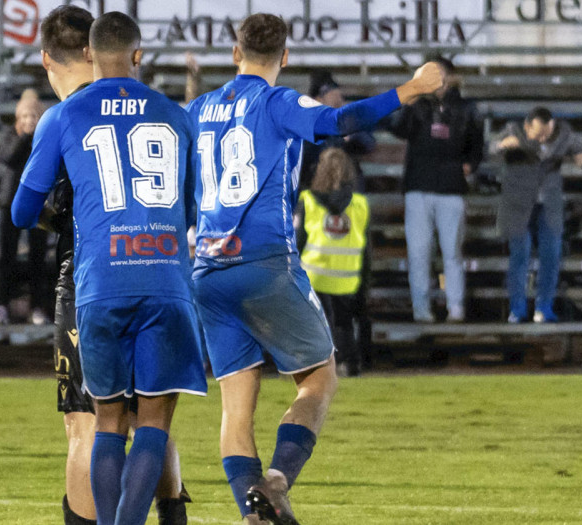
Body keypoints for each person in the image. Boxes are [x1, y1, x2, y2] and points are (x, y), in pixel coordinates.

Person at [187, 13, 442, 525]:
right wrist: (410, 89)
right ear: (285, 57)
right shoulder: (278, 102)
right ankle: (277, 482)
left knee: (236, 407)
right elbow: (338, 122)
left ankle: (256, 517)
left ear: (235, 54)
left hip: (206, 271)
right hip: (262, 262)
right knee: (319, 379)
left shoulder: (199, 108)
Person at [12, 12, 207, 525]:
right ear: (139, 55)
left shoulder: (65, 116)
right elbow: (191, 206)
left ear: (91, 57)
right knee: (155, 422)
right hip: (165, 274)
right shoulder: (176, 114)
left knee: (103, 422)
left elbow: (19, 212)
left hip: (96, 280)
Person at [387, 56, 484, 323]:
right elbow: (395, 126)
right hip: (418, 186)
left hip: (452, 189)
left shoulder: (466, 108)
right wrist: (413, 94)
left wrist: (470, 166)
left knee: (452, 253)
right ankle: (422, 310)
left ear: (450, 76)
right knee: (419, 254)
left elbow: (477, 145)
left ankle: (455, 308)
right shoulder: (418, 106)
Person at [491, 107, 582, 323]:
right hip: (518, 204)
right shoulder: (513, 130)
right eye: (539, 134)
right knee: (520, 256)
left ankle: (543, 308)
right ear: (527, 126)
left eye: (547, 133)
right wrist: (502, 145)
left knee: (551, 256)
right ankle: (517, 310)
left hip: (549, 204)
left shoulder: (563, 133)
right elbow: (490, 148)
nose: (544, 138)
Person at [295, 148, 371, 378]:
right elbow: (367, 247)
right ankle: (349, 363)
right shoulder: (359, 204)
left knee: (315, 324)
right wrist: (365, 280)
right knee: (344, 324)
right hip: (347, 275)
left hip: (314, 273)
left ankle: (314, 368)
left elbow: (298, 241)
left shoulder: (307, 200)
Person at [0, 89, 50, 326]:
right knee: (8, 257)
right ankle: (1, 307)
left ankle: (37, 307)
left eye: (34, 117)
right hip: (11, 203)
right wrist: (25, 137)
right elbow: (7, 158)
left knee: (38, 259)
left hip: (39, 204)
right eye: (25, 116)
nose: (29, 121)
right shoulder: (10, 135)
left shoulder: (47, 138)